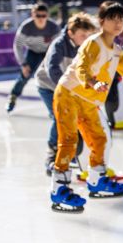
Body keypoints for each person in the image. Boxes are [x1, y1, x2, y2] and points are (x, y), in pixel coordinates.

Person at [49, 1, 123, 213]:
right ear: (102, 21)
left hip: (88, 101)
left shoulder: (116, 50)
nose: (118, 23)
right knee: (68, 141)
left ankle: (96, 181)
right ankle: (59, 189)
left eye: (121, 19)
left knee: (99, 139)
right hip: (69, 94)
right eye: (113, 19)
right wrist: (93, 82)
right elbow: (81, 68)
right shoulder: (93, 43)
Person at [36, 13, 97, 175]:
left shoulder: (85, 46)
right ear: (71, 33)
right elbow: (52, 69)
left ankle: (72, 154)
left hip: (69, 88)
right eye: (82, 36)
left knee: (76, 119)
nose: (85, 39)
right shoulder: (59, 45)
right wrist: (66, 88)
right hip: (48, 85)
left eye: (88, 36)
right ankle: (51, 154)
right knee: (60, 117)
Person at [7, 3, 60, 113]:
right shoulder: (26, 27)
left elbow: (58, 46)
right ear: (32, 15)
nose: (41, 19)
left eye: (43, 16)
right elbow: (17, 45)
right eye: (38, 16)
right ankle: (13, 97)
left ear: (47, 15)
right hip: (33, 52)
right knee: (25, 75)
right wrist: (23, 64)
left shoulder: (54, 27)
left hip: (48, 53)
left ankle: (58, 102)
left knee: (54, 76)